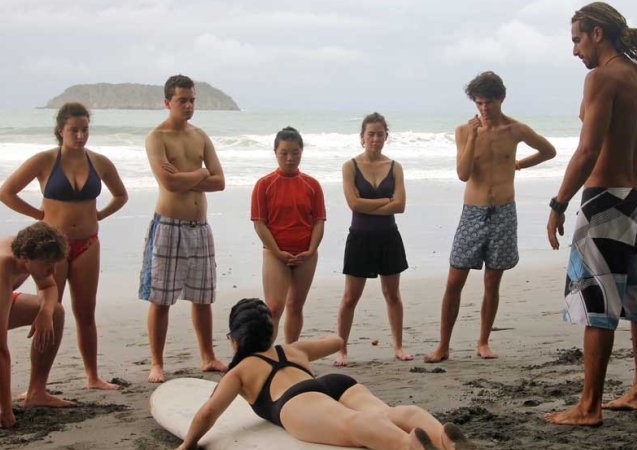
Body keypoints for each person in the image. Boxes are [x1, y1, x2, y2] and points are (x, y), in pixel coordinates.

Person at [545, 2, 637, 426]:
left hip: (604, 201)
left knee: (597, 303)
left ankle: (589, 406)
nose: (575, 50)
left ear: (598, 34)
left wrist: (559, 203)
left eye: (577, 39)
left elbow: (588, 150)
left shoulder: (602, 78)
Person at [175, 298, 475, 450]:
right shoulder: (291, 350)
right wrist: (302, 346)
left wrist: (187, 444)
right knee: (389, 412)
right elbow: (336, 342)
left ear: (235, 339)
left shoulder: (239, 371)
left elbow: (208, 413)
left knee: (354, 424)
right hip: (333, 384)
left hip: (297, 401)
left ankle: (406, 447)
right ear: (271, 333)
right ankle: (443, 438)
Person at [424, 71, 557, 363]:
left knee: (492, 281)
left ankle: (483, 341)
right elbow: (462, 174)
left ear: (501, 99)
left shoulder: (515, 129)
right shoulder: (464, 131)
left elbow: (549, 151)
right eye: (479, 103)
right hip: (473, 212)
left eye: (489, 103)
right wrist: (472, 137)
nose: (483, 109)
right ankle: (443, 345)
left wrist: (519, 164)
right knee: (454, 280)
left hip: (504, 212)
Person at [0, 102, 128, 390]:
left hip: (88, 244)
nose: (80, 136)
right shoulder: (44, 160)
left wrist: (98, 216)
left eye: (85, 130)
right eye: (74, 130)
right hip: (51, 249)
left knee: (86, 312)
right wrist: (38, 216)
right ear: (61, 131)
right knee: (49, 309)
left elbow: (120, 195)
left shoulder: (99, 162)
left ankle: (93, 376)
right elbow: (6, 193)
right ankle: (37, 386)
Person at [139, 74, 227, 383]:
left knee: (203, 297)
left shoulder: (200, 135)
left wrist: (193, 174)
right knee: (161, 298)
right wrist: (201, 172)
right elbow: (169, 184)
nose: (188, 105)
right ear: (167, 102)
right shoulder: (157, 137)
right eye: (182, 100)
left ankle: (208, 356)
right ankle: (156, 363)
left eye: (192, 100)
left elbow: (220, 181)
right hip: (169, 225)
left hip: (199, 226)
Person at [335, 113, 413, 367]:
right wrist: (386, 202)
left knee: (392, 295)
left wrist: (374, 205)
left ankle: (398, 346)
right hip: (360, 238)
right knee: (350, 297)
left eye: (380, 134)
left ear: (386, 137)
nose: (375, 138)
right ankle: (341, 349)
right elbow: (353, 203)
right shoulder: (350, 166)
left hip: (389, 237)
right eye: (371, 134)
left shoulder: (395, 167)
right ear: (362, 137)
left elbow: (400, 206)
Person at [0, 222, 72, 428]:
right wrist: (6, 411)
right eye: (47, 264)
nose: (52, 269)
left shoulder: (30, 251)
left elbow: (48, 286)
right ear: (25, 258)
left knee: (55, 312)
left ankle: (37, 392)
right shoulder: (0, 266)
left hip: (1, 297)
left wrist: (45, 313)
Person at [251, 127, 325, 344]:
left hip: (306, 253)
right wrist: (278, 252)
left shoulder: (312, 185)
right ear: (275, 152)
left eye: (295, 152)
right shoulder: (264, 184)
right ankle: (268, 355)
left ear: (302, 152)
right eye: (284, 153)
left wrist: (311, 250)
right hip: (275, 253)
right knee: (274, 307)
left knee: (296, 305)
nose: (290, 158)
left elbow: (319, 221)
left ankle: (291, 353)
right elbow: (259, 224)